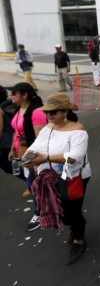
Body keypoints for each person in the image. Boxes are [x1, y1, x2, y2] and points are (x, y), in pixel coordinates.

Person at [24, 93, 91, 265]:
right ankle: (75, 229)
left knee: (72, 209)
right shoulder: (48, 128)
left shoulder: (78, 130)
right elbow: (35, 146)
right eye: (47, 112)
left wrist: (45, 159)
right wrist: (27, 157)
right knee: (62, 209)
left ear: (64, 112)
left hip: (74, 177)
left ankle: (79, 239)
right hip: (52, 177)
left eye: (53, 112)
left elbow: (74, 157)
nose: (49, 115)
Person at [8, 82, 46, 230]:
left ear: (24, 95)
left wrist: (35, 159)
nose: (11, 96)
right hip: (22, 152)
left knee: (32, 185)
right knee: (34, 184)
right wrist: (12, 150)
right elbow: (15, 132)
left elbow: (40, 139)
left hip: (33, 155)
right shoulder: (19, 109)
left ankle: (39, 213)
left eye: (14, 93)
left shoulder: (35, 112)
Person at [0, 86, 21, 176]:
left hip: (5, 144)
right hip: (10, 141)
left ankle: (37, 186)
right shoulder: (8, 105)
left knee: (12, 167)